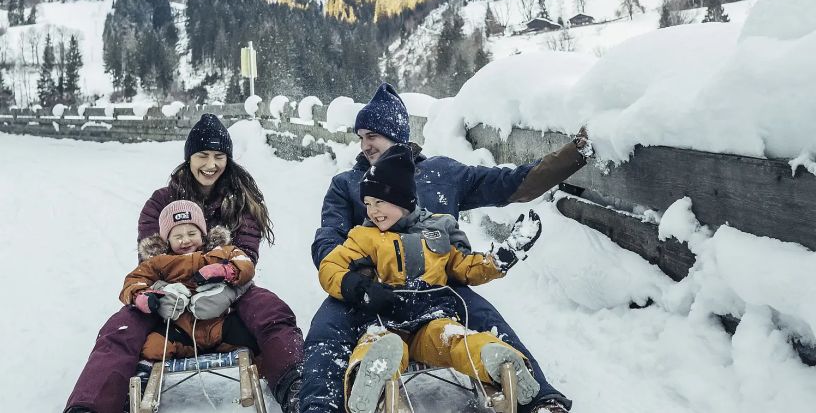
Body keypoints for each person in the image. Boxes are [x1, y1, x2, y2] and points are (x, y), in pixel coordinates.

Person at [303, 83, 592, 413]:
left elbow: (511, 184)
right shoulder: (348, 184)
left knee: (485, 318)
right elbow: (328, 239)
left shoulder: (441, 172)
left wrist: (573, 155)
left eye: (373, 135)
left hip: (438, 284)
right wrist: (356, 281)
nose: (365, 145)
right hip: (370, 288)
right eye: (361, 137)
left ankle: (539, 400)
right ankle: (318, 406)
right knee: (326, 330)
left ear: (395, 133)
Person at [65, 114, 303, 413]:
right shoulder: (161, 202)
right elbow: (147, 263)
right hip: (170, 303)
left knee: (270, 309)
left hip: (225, 296)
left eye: (219, 156)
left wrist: (224, 283)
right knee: (120, 328)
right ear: (189, 158)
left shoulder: (239, 200)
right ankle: (91, 405)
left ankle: (297, 384)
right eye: (203, 155)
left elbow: (245, 258)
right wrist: (154, 295)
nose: (211, 164)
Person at [319, 144, 545, 413]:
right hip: (384, 318)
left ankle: (497, 361)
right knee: (380, 344)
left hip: (432, 317)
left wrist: (498, 260)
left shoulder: (437, 231)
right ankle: (367, 380)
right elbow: (330, 266)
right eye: (368, 204)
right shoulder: (363, 236)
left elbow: (463, 267)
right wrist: (357, 286)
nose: (372, 211)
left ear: (403, 199)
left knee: (455, 340)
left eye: (379, 202)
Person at [122, 199, 256, 360]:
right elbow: (134, 279)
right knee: (153, 348)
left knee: (251, 337)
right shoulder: (158, 261)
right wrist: (141, 296)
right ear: (167, 240)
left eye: (192, 234)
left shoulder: (220, 252)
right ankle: (146, 372)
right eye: (177, 236)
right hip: (180, 330)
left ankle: (268, 372)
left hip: (220, 323)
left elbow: (245, 263)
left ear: (202, 234)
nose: (185, 240)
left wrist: (226, 270)